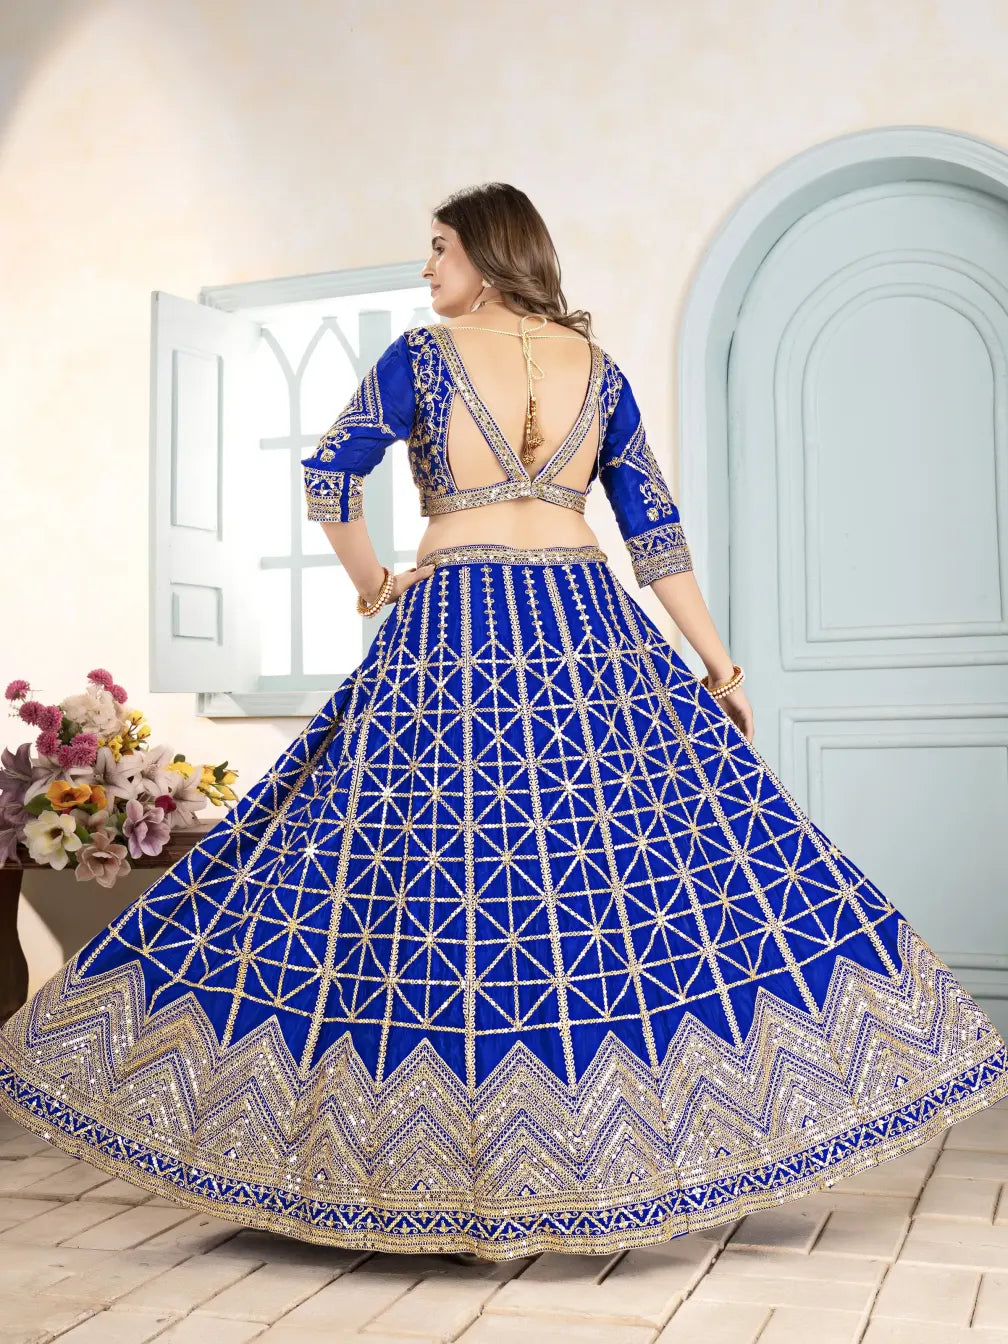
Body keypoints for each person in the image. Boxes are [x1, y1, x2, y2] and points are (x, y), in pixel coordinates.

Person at [1, 183, 1005, 1263]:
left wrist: (374, 580)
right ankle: (614, 1156)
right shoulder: (600, 371)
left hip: (453, 625)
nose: (427, 269)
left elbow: (327, 476)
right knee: (617, 878)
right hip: (587, 625)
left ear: (487, 252)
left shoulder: (419, 361)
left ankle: (419, 1168)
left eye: (439, 248)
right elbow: (655, 534)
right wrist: (720, 664)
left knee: (415, 879)